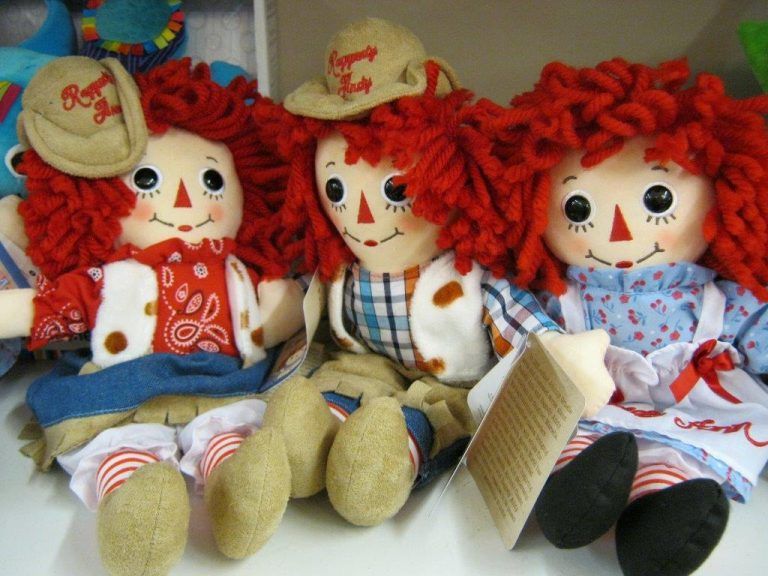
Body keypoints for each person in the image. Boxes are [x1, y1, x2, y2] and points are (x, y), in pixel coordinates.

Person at [6, 57, 303, 576]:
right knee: (123, 448)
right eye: (147, 179)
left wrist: (292, 302)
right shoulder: (110, 276)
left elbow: (279, 316)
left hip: (223, 386)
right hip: (123, 391)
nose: (189, 198)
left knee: (231, 436)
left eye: (213, 179)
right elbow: (48, 306)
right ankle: (136, 498)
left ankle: (238, 491)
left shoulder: (237, 269)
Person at [483, 57, 768, 576]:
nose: (617, 230)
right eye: (577, 208)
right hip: (591, 409)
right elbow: (519, 321)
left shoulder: (721, 302)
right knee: (568, 443)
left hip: (692, 407)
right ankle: (575, 495)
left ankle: (658, 514)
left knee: (678, 463)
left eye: (657, 198)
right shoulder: (558, 297)